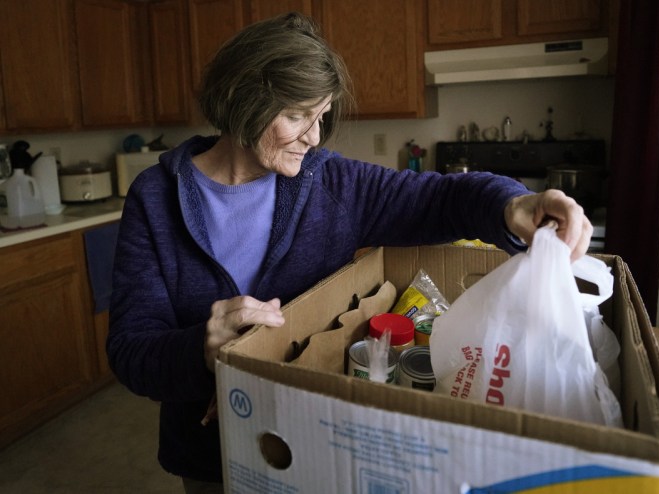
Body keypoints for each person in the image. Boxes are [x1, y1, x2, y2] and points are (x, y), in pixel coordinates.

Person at [106, 12, 592, 493]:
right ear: (239, 98)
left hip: (318, 445)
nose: (314, 137)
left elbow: (441, 197)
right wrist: (201, 350)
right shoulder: (156, 197)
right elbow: (131, 350)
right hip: (208, 454)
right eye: (297, 115)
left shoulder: (331, 182)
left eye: (320, 117)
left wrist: (515, 203)